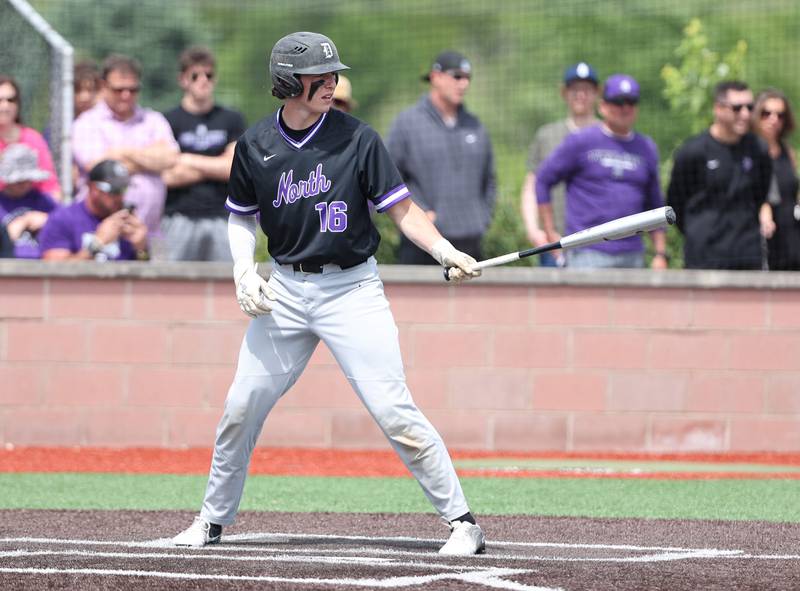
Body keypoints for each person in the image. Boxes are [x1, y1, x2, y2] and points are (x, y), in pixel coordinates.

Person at [171, 31, 485, 556]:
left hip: (352, 289)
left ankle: (463, 524)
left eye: (333, 74)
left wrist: (444, 251)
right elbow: (241, 220)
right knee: (240, 407)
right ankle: (210, 521)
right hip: (286, 290)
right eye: (320, 75)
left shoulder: (358, 138)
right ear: (287, 82)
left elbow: (402, 210)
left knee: (393, 410)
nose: (332, 82)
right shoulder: (255, 145)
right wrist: (244, 272)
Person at [535, 74, 667, 269]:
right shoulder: (581, 141)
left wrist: (660, 253)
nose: (625, 108)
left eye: (631, 102)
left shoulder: (646, 147)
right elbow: (543, 180)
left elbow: (655, 203)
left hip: (632, 253)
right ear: (603, 106)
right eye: (618, 102)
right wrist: (549, 231)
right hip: (587, 251)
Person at [387, 50, 496, 264]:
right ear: (435, 77)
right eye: (457, 76)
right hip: (422, 247)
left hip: (470, 245)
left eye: (467, 78)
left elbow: (489, 180)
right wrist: (420, 212)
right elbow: (387, 178)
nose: (464, 84)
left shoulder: (475, 125)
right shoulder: (408, 123)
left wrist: (482, 218)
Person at [668, 81, 774, 270]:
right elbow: (676, 202)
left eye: (750, 107)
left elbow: (761, 195)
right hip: (704, 257)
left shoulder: (758, 149)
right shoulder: (692, 151)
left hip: (747, 256)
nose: (745, 114)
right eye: (737, 108)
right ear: (718, 109)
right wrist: (700, 231)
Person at [71, 54, 179, 238]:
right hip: (99, 233)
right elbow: (100, 170)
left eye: (133, 89)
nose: (126, 95)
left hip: (147, 235)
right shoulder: (86, 123)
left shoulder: (153, 120)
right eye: (119, 89)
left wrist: (121, 152)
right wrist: (148, 160)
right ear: (104, 86)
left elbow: (170, 158)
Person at [161, 46, 247, 261]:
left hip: (223, 217)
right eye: (195, 75)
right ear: (183, 80)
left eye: (208, 75)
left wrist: (187, 159)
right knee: (173, 288)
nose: (203, 80)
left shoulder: (232, 119)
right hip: (178, 218)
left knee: (227, 287)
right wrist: (215, 165)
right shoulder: (167, 120)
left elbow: (233, 169)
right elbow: (167, 175)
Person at [520, 62, 599, 267]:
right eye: (575, 90)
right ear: (564, 93)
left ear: (597, 93)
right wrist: (533, 230)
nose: (580, 95)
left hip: (599, 242)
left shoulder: (607, 135)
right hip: (554, 242)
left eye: (587, 89)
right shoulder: (547, 135)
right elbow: (531, 185)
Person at [39, 159, 148, 261]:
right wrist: (97, 244)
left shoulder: (127, 221)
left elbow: (144, 274)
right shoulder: (63, 219)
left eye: (123, 190)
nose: (119, 197)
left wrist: (141, 249)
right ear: (93, 187)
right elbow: (54, 272)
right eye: (114, 190)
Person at [752, 88, 800, 271]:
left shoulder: (787, 152)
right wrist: (764, 210)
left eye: (780, 115)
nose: (774, 119)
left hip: (791, 229)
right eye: (767, 113)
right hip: (763, 230)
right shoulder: (750, 151)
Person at [0, 75, 62, 200]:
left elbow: (51, 187)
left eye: (11, 100)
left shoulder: (33, 139)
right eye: (0, 100)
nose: (5, 106)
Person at [0, 144, 60, 258]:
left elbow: (66, 225)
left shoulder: (43, 200)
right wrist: (23, 222)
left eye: (29, 180)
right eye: (19, 181)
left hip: (42, 265)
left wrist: (49, 220)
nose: (25, 185)